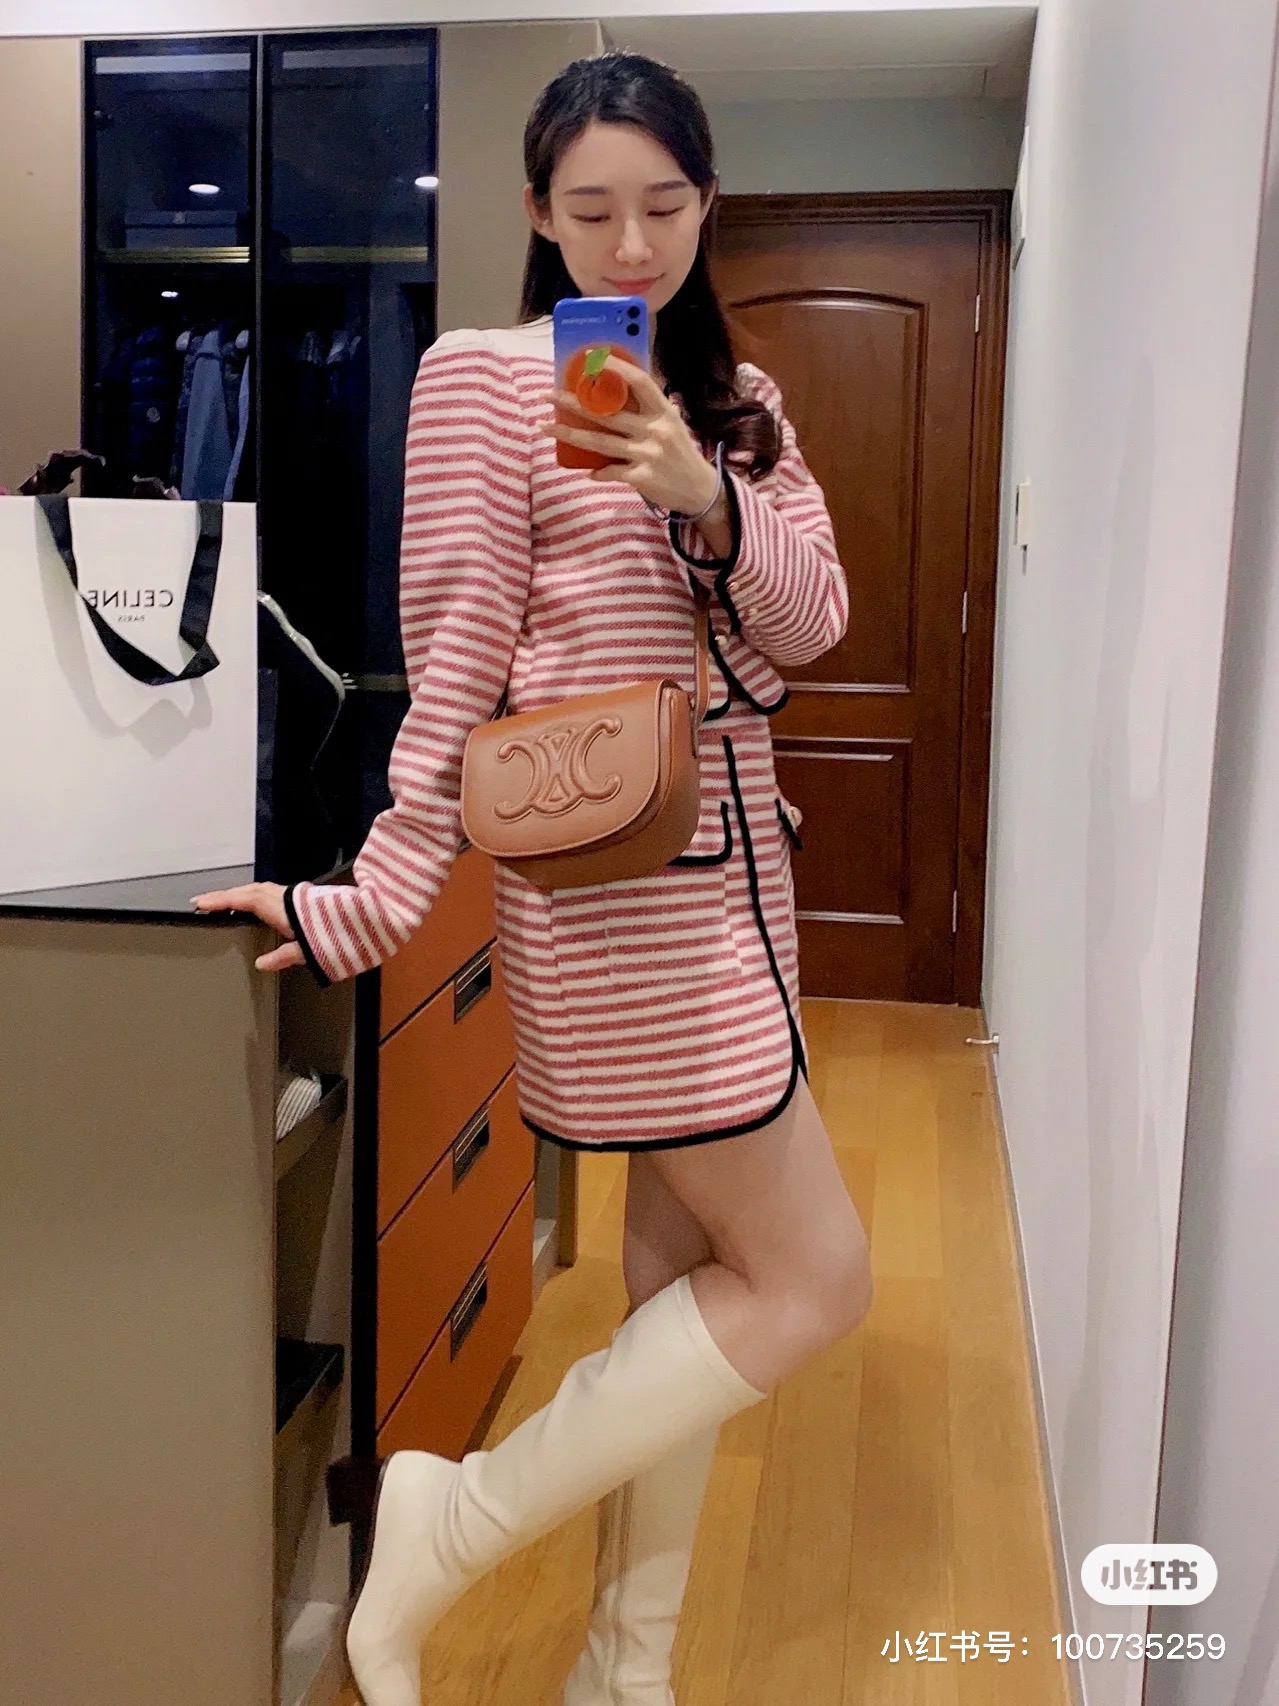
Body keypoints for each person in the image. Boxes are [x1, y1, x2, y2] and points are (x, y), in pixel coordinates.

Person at [192, 50, 873, 1706]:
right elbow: (454, 662)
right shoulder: (485, 381)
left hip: (740, 891)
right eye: (593, 210)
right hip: (614, 906)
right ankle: (454, 1517)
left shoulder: (742, 405)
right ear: (537, 213)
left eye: (665, 206)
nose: (632, 245)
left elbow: (815, 625)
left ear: (708, 204)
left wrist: (705, 494)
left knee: (681, 1293)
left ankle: (620, 1674)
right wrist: (371, 897)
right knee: (815, 1277)